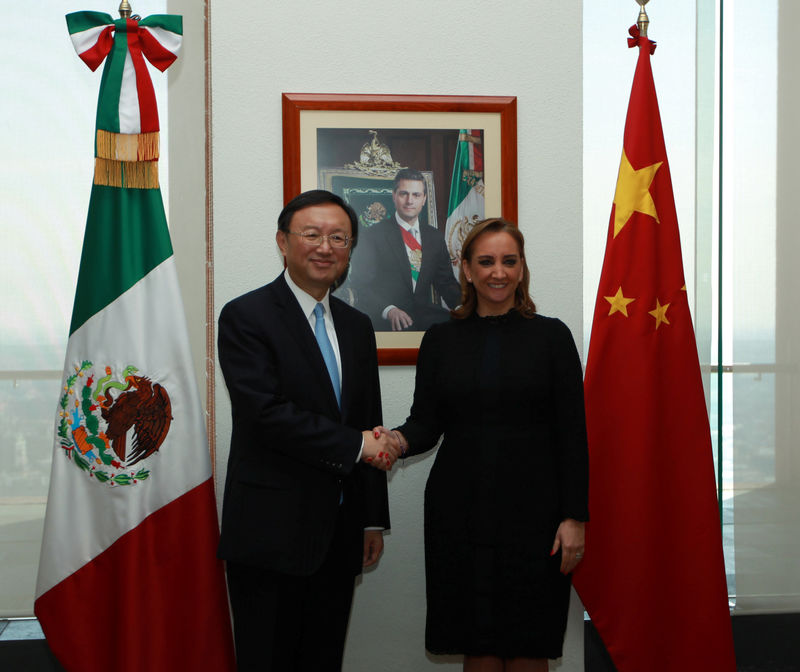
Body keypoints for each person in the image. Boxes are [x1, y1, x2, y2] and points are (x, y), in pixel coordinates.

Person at [385, 218, 589, 672]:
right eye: (487, 262)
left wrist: (575, 517)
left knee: (528, 642)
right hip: (460, 510)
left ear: (522, 269)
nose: (499, 272)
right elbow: (426, 422)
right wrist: (395, 441)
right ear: (467, 271)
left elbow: (573, 433)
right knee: (474, 640)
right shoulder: (440, 339)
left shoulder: (553, 337)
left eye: (509, 261)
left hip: (537, 514)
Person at [217, 190, 400, 671]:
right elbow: (265, 413)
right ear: (283, 241)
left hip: (340, 534)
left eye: (338, 237)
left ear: (350, 249)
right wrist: (357, 445)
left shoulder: (357, 325)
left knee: (324, 660)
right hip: (268, 533)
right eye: (312, 234)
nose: (325, 247)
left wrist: (370, 518)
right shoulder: (246, 316)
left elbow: (367, 418)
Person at [352, 168, 462, 331]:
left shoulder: (434, 237)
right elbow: (361, 285)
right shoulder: (372, 236)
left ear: (424, 199)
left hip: (425, 316)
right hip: (386, 319)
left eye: (416, 195)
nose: (410, 201)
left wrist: (462, 308)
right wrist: (389, 310)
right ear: (394, 196)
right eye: (404, 194)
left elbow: (445, 282)